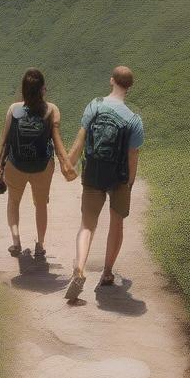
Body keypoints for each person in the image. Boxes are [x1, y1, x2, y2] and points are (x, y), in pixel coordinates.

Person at [64, 66, 145, 300]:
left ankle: (79, 268)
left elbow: (81, 138)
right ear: (129, 87)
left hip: (94, 171)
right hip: (118, 177)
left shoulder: (95, 106)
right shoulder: (133, 120)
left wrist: (70, 164)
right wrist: (129, 183)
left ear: (112, 81)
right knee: (116, 224)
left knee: (87, 225)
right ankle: (107, 273)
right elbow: (133, 155)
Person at [0, 68, 76, 259]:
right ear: (43, 89)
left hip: (15, 166)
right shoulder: (51, 110)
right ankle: (39, 245)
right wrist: (66, 164)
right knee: (41, 205)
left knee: (13, 202)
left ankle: (16, 242)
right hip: (42, 167)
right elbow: (56, 141)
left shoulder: (14, 109)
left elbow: (4, 141)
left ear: (23, 89)